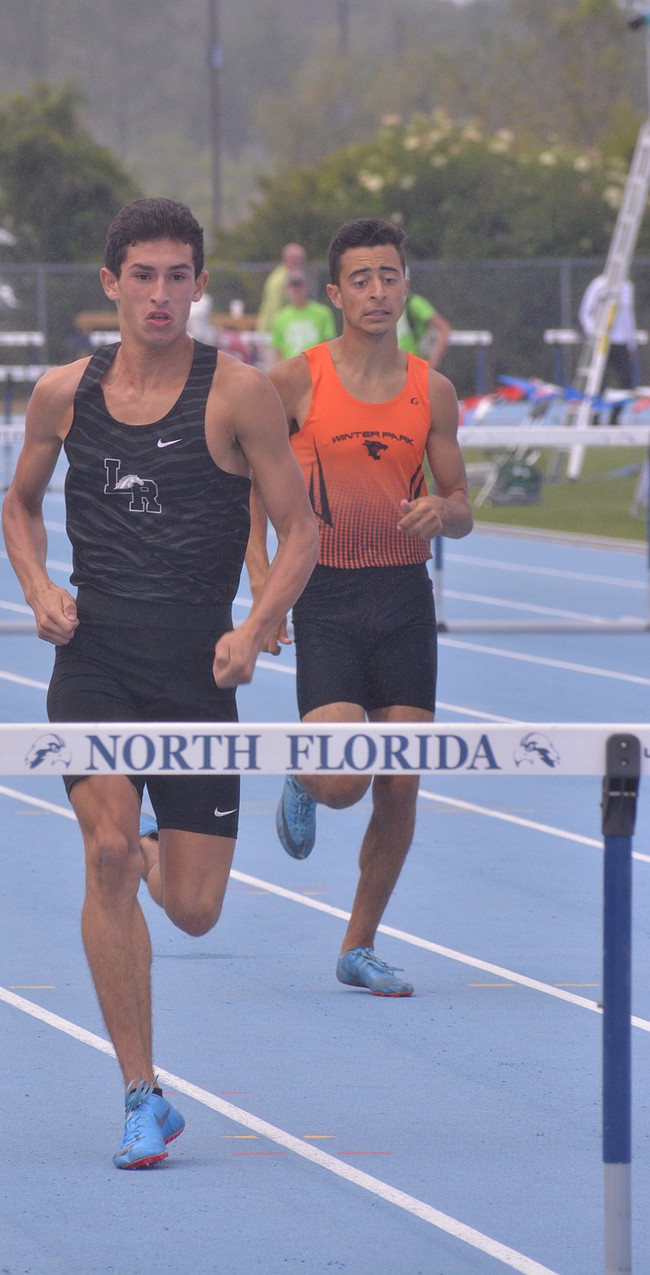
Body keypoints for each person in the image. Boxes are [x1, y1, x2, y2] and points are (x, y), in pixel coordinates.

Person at [2, 198, 318, 1169]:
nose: (160, 294)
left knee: (193, 908)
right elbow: (18, 506)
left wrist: (254, 627)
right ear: (111, 283)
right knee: (104, 853)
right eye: (142, 275)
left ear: (199, 285)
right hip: (94, 662)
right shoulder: (63, 393)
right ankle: (141, 1092)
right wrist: (39, 588)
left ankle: (150, 848)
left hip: (195, 672)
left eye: (178, 276)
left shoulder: (239, 394)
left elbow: (301, 530)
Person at [247, 217, 473, 997]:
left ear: (406, 285)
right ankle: (304, 775)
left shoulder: (432, 390)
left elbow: (462, 503)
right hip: (329, 594)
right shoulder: (294, 380)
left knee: (400, 783)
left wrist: (443, 512)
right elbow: (250, 485)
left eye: (390, 276)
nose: (378, 291)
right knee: (345, 780)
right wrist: (264, 583)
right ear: (335, 294)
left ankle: (359, 945)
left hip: (404, 596)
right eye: (361, 279)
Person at [578, 273, 638, 424]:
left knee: (627, 380)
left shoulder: (627, 286)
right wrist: (594, 333)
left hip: (620, 341)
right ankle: (594, 417)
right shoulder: (598, 284)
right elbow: (585, 312)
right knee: (598, 380)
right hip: (601, 341)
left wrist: (631, 343)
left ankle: (614, 417)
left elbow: (628, 316)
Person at [270, 272, 337, 361]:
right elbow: (278, 350)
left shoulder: (323, 313)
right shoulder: (280, 318)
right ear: (286, 290)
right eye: (292, 286)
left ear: (307, 287)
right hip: (291, 366)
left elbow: (329, 343)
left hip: (316, 364)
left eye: (299, 286)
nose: (296, 290)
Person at [255, 242, 308, 334]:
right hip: (272, 330)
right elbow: (275, 307)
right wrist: (278, 330)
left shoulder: (285, 276)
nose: (301, 263)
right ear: (290, 259)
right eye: (300, 260)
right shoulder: (279, 280)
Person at [396, 290, 452, 368]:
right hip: (390, 369)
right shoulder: (384, 308)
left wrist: (431, 366)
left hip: (414, 367)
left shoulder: (413, 303)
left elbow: (444, 329)